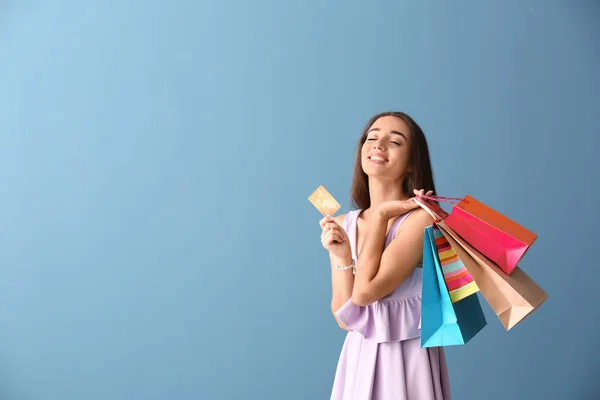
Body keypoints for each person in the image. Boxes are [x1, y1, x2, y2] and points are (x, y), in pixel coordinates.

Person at [320, 112, 451, 399]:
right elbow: (345, 319)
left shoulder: (422, 220)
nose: (379, 145)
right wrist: (342, 256)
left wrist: (380, 216)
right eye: (372, 137)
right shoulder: (343, 224)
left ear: (412, 163)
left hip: (408, 358)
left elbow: (366, 294)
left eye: (395, 141)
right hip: (359, 357)